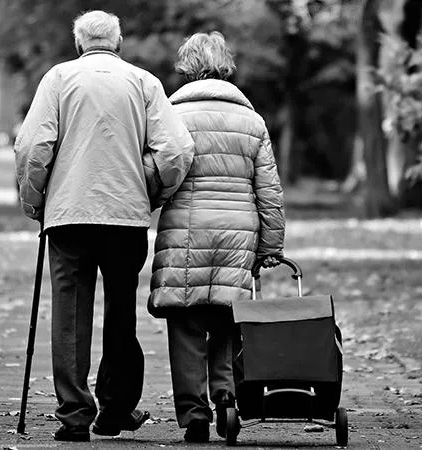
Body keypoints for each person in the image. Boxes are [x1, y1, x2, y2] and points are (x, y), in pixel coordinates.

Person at [14, 10, 194, 442]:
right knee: (119, 313)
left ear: (79, 44)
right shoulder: (143, 82)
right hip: (124, 216)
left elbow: (32, 145)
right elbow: (177, 150)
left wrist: (35, 200)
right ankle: (113, 409)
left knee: (69, 316)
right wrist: (150, 189)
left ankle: (74, 414)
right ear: (118, 42)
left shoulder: (59, 79)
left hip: (69, 216)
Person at [146, 32, 286, 443]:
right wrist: (272, 246)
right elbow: (269, 191)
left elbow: (158, 174)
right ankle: (226, 398)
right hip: (238, 231)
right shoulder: (251, 120)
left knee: (186, 320)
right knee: (227, 317)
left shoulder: (171, 115)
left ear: (187, 66)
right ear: (225, 65)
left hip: (185, 229)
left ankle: (193, 414)